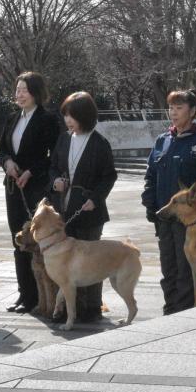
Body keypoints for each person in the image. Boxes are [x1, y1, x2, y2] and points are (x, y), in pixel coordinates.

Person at [142, 89, 196, 314]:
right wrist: (150, 204)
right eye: (171, 108)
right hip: (164, 217)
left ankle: (183, 313)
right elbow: (151, 176)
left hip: (188, 222)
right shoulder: (162, 140)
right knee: (168, 267)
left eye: (179, 108)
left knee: (186, 270)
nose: (173, 113)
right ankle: (170, 308)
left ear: (192, 111)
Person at [0, 72, 62, 314]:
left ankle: (44, 297)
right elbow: (1, 150)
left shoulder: (48, 119)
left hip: (36, 189)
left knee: (38, 242)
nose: (19, 94)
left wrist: (31, 171)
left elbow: (53, 156)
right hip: (14, 188)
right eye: (17, 90)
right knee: (19, 240)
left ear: (35, 92)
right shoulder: (12, 118)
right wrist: (7, 164)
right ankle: (25, 295)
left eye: (24, 90)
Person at [49, 91, 116, 323]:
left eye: (72, 116)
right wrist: (55, 181)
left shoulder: (99, 143)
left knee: (91, 261)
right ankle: (68, 309)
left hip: (89, 213)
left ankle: (92, 307)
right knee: (66, 263)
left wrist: (96, 199)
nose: (68, 120)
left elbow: (109, 176)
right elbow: (54, 167)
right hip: (65, 210)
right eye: (66, 115)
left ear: (85, 116)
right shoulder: (64, 139)